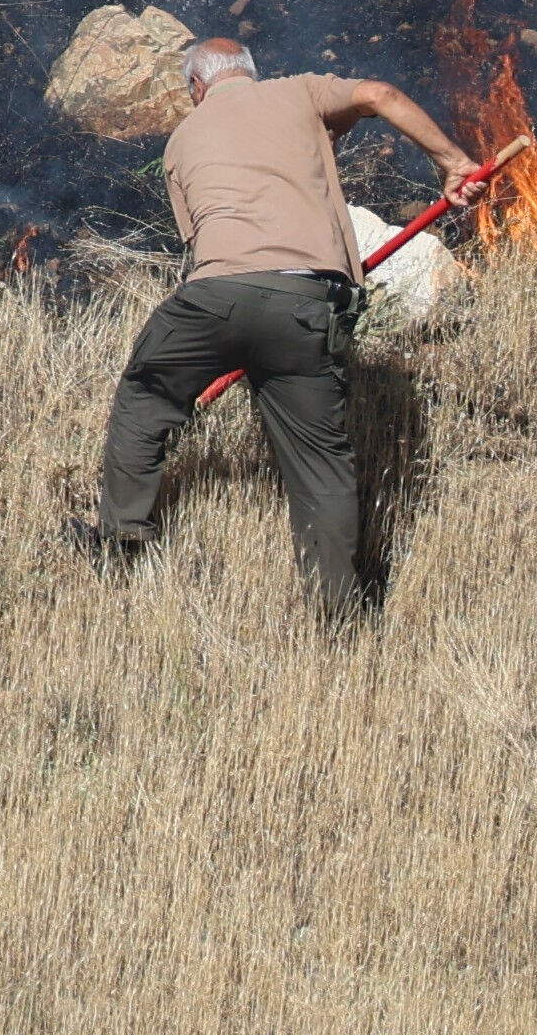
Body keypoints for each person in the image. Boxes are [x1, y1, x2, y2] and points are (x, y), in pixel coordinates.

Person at [93, 36, 480, 622]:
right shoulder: (298, 92)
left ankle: (120, 542)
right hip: (308, 304)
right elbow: (380, 95)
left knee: (145, 397)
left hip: (213, 299)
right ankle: (340, 613)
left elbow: (201, 246)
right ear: (251, 71)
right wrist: (453, 164)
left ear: (195, 88)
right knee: (320, 461)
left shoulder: (180, 142)